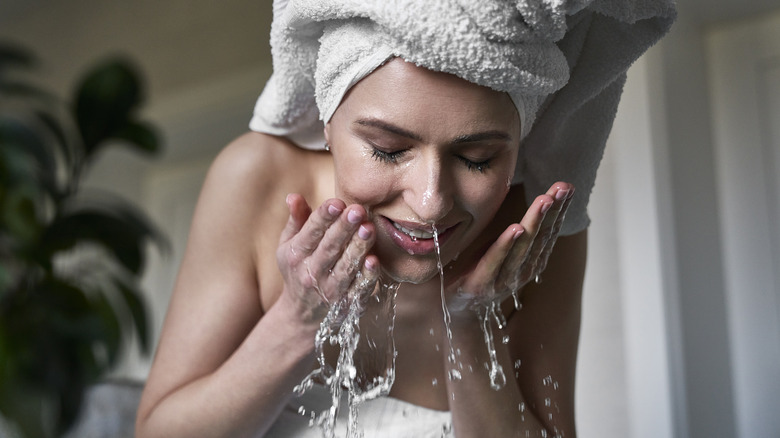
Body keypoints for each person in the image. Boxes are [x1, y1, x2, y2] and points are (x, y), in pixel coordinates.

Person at [135, 1, 675, 437]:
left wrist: (470, 326)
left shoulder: (529, 228)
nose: (431, 200)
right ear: (327, 120)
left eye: (478, 158)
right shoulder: (256, 180)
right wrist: (297, 321)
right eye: (389, 150)